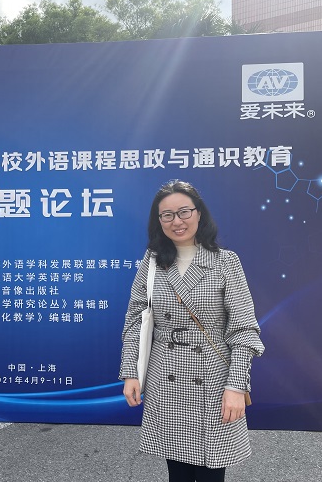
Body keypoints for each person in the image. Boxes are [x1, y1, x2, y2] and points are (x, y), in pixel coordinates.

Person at [119, 179, 264, 482]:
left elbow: (244, 331)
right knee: (178, 472)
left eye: (184, 211)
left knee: (212, 471)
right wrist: (131, 372)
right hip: (166, 379)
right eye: (167, 215)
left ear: (199, 213)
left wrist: (237, 386)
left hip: (213, 381)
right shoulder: (152, 262)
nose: (177, 221)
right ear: (158, 221)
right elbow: (135, 320)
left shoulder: (225, 262)